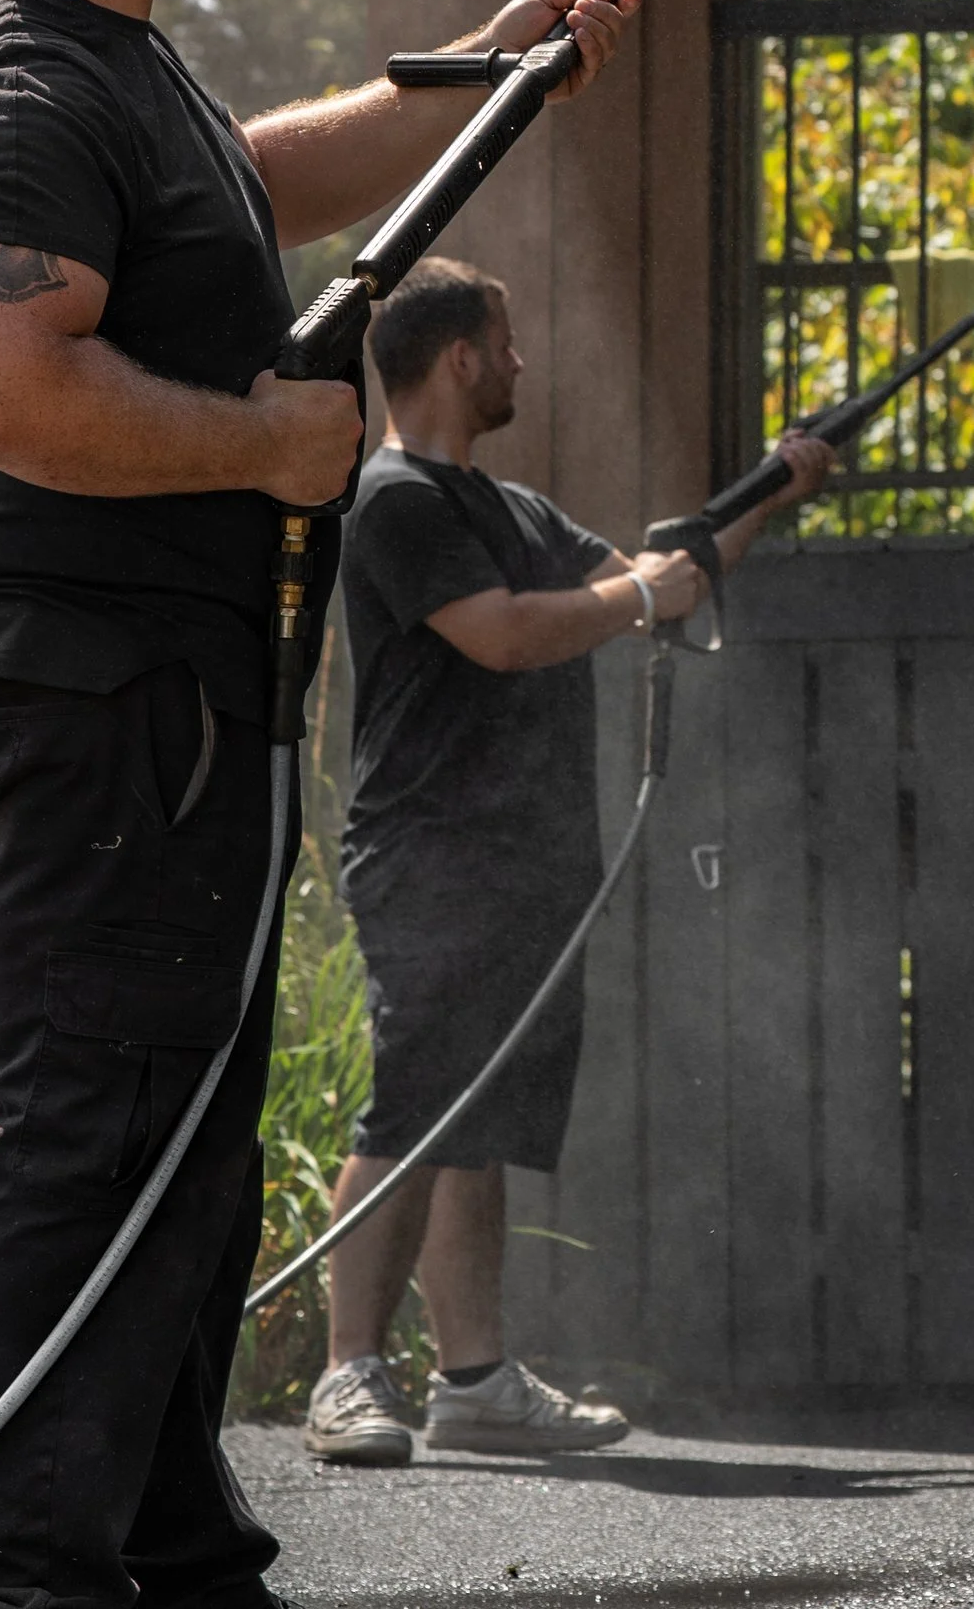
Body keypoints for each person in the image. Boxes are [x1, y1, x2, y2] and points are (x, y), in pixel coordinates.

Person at [0, 0, 635, 1609]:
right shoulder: (22, 85)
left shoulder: (116, 76)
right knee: (96, 1125)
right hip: (90, 688)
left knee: (186, 1137)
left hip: (162, 697)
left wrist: (489, 75)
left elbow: (258, 177)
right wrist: (260, 444)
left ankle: (169, 1584)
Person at [304, 261, 830, 1465]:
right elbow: (501, 634)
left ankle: (473, 1382)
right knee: (418, 1099)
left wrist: (773, 490)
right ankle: (346, 1374)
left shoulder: (519, 513)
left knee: (479, 1116)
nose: (519, 361)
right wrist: (638, 597)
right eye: (504, 341)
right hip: (430, 852)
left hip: (531, 860)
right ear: (457, 360)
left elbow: (659, 580)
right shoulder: (394, 501)